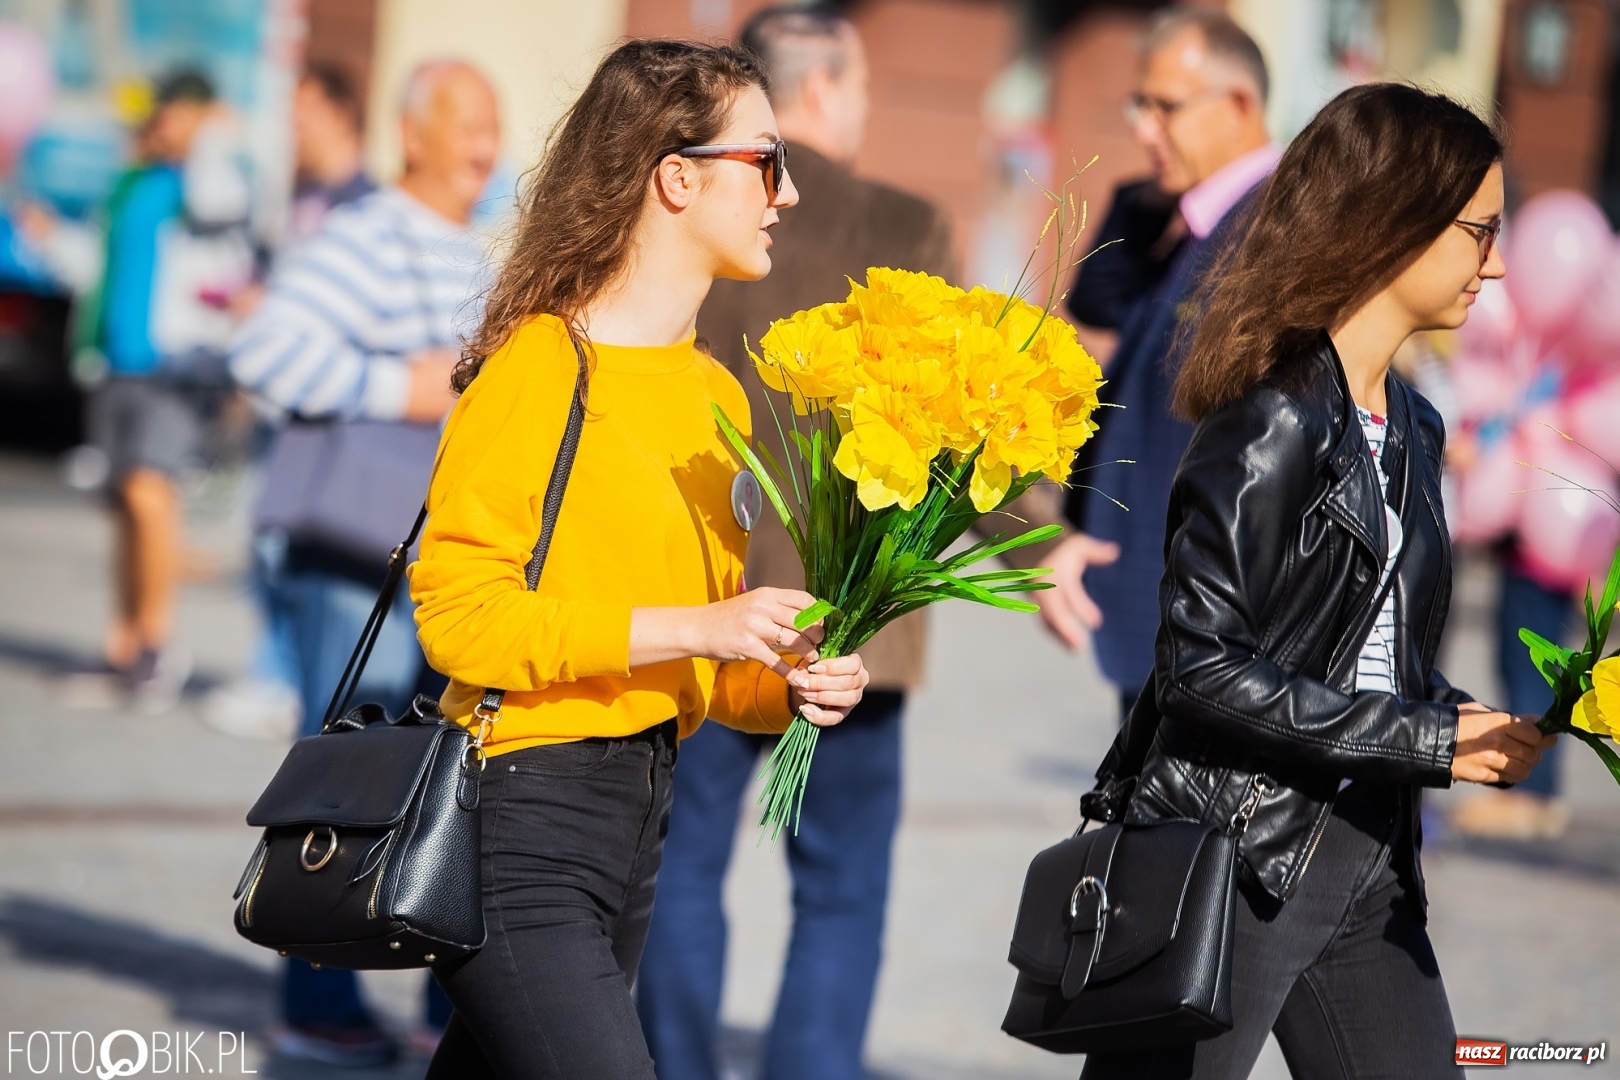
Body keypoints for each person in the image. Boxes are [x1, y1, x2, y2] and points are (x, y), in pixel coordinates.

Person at [408, 40, 871, 1079]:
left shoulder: (715, 394)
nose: (786, 193)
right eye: (765, 160)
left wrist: (788, 675)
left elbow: (702, 666)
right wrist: (700, 626)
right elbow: (457, 619)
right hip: (518, 821)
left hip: (637, 827)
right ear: (676, 175)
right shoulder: (538, 365)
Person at [1077, 83, 1554, 1079]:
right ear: (1392, 225)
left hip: (1370, 856)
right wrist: (1424, 737)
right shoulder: (1272, 418)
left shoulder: (1417, 425)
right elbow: (1200, 669)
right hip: (1238, 851)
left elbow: (1361, 653)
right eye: (1480, 230)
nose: (1497, 262)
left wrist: (1474, 725)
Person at [632, 10, 1065, 1080]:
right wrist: (1043, 548)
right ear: (818, 91)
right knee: (840, 887)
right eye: (860, 87)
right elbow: (967, 424)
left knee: (679, 870)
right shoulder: (904, 222)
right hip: (853, 622)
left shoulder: (695, 207)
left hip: (709, 604)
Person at [228, 59, 499, 1067]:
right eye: (466, 123)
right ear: (411, 132)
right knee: (341, 784)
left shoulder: (471, 248)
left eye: (492, 126)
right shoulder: (364, 236)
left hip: (434, 567)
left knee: (436, 784)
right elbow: (263, 352)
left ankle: (436, 1000)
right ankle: (316, 1000)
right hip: (353, 561)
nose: (485, 144)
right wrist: (399, 387)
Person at [1040, 8, 1277, 717]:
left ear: (1239, 107)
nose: (1144, 129)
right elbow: (1100, 295)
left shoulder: (1272, 230)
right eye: (1137, 106)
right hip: (1168, 626)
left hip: (1205, 632)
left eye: (1165, 107)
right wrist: (1160, 191)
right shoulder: (1203, 220)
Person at [205, 61, 379, 742]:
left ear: (340, 114)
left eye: (303, 113)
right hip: (283, 400)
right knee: (268, 543)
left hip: (331, 413)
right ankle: (275, 674)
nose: (293, 129)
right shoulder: (303, 197)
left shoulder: (363, 206)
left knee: (298, 553)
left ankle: (283, 681)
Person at [91, 68, 253, 710]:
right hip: (115, 361)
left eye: (179, 112)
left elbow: (221, 204)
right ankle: (124, 640)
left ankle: (157, 643)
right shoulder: (137, 181)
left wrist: (207, 138)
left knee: (149, 492)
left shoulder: (212, 177)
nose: (165, 122)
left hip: (177, 366)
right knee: (122, 503)